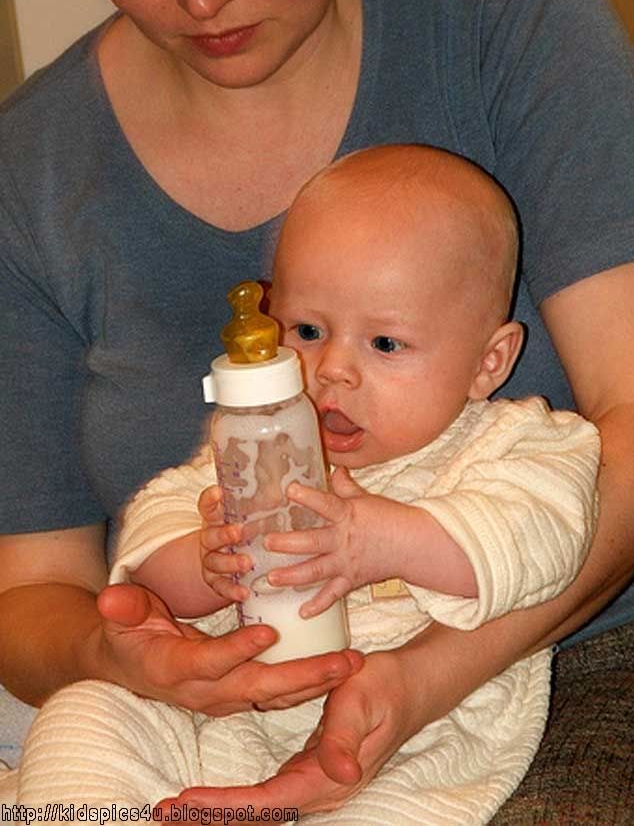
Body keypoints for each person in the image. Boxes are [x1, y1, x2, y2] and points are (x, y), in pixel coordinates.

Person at [1, 0, 634, 820]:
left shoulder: (508, 15)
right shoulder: (31, 165)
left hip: (547, 669)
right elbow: (45, 588)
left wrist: (414, 668)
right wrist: (130, 639)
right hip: (218, 704)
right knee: (81, 739)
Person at [18, 146, 601, 825]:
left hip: (412, 740)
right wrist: (207, 561)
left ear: (488, 360)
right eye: (309, 329)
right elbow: (161, 524)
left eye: (385, 343)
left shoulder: (514, 443)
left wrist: (386, 540)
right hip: (219, 716)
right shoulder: (258, 442)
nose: (332, 371)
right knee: (83, 716)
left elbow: (545, 536)